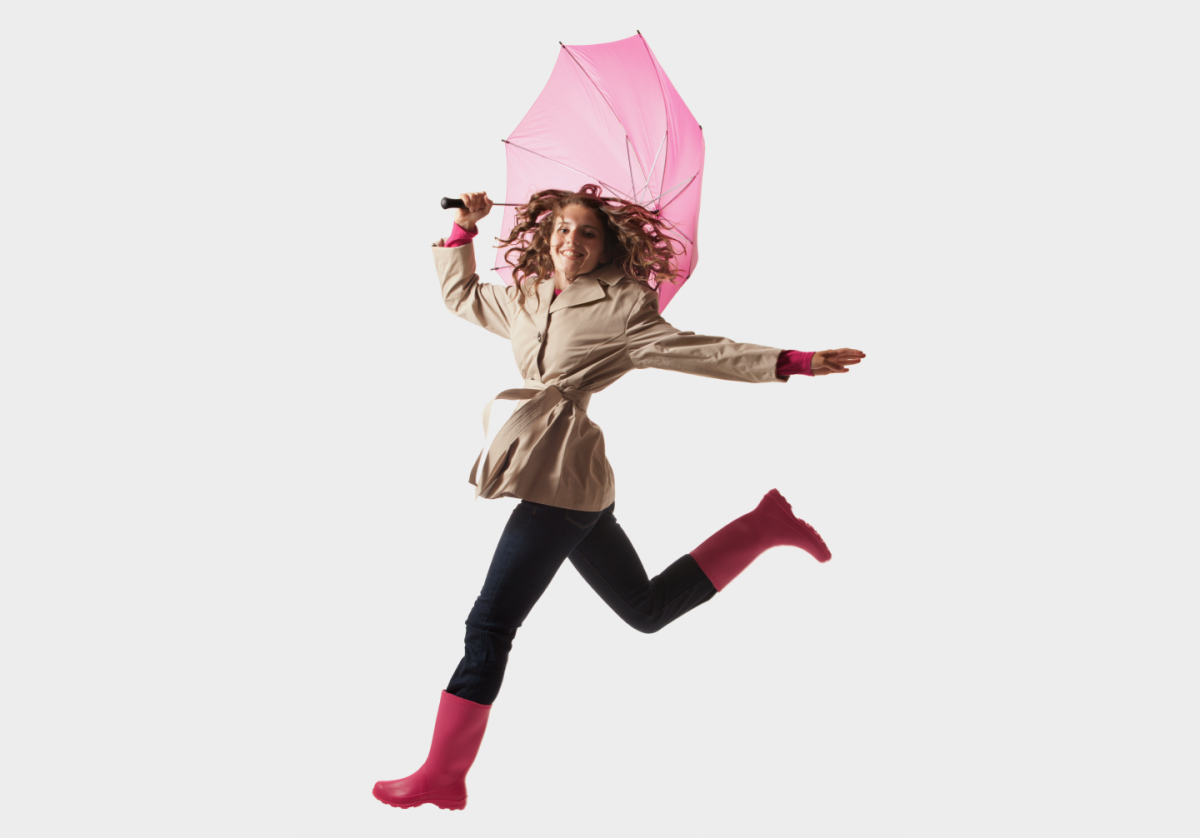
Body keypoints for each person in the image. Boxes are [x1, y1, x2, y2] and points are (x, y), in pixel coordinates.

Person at [373, 185, 866, 810]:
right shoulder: (528, 295)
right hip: (565, 477)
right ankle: (762, 526)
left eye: (587, 232)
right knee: (646, 610)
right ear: (546, 235)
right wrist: (463, 231)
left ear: (607, 246)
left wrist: (791, 361)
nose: (571, 240)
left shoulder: (625, 304)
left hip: (562, 481)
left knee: (490, 622)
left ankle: (444, 774)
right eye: (563, 229)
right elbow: (461, 296)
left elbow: (700, 351)